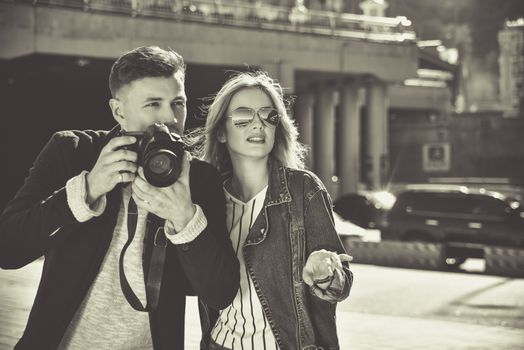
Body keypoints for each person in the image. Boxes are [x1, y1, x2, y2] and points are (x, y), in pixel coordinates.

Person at [0, 46, 239, 350]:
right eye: (153, 103)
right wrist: (87, 190)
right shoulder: (72, 152)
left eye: (177, 103)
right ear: (118, 111)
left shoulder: (198, 178)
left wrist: (185, 217)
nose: (170, 117)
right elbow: (8, 249)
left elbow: (219, 293)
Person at [199, 71, 353, 349]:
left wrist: (327, 272)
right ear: (221, 131)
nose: (258, 125)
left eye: (268, 116)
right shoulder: (208, 197)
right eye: (244, 117)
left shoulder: (303, 189)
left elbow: (341, 283)